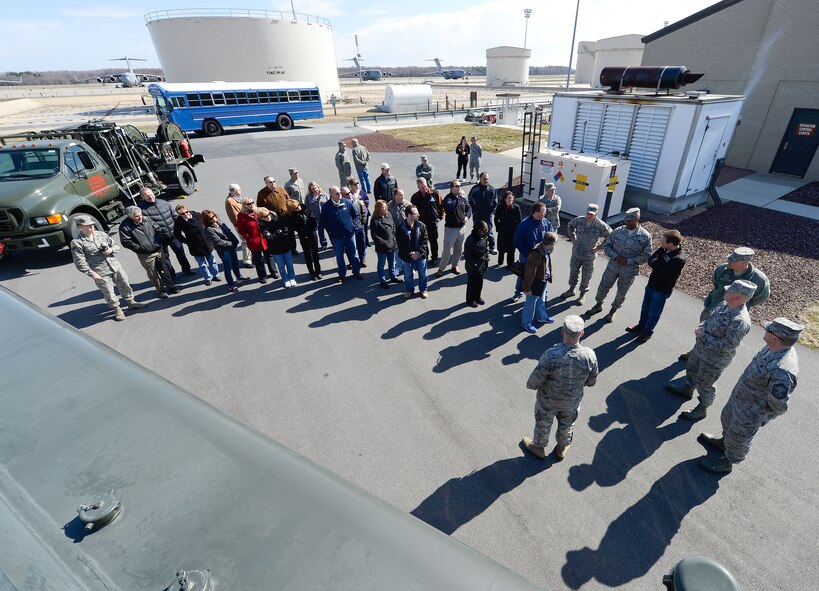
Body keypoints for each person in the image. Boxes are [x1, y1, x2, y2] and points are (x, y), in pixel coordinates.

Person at [698, 317, 802, 473]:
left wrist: (765, 418)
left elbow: (779, 404)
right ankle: (724, 443)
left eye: (769, 329)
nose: (765, 329)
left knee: (739, 439)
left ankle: (728, 461)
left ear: (776, 337)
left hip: (751, 412)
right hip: (740, 399)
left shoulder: (783, 371)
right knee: (727, 420)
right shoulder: (773, 347)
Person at [667, 279, 755, 422]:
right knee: (691, 369)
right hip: (700, 349)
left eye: (729, 290)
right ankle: (687, 389)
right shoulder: (724, 304)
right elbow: (709, 318)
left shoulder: (740, 321)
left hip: (714, 359)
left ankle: (702, 408)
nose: (725, 291)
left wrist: (704, 336)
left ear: (737, 297)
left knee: (705, 384)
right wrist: (702, 326)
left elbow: (727, 345)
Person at [521, 315, 598, 460]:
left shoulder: (551, 355)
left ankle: (539, 447)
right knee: (567, 423)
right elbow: (591, 381)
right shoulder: (589, 356)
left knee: (543, 423)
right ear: (581, 334)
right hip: (572, 401)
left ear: (563, 331)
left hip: (548, 400)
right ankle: (562, 447)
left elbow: (533, 382)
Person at [679, 247, 770, 361]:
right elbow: (715, 282)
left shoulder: (759, 279)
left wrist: (739, 303)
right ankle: (696, 352)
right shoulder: (722, 269)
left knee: (720, 340)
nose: (728, 261)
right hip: (711, 309)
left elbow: (760, 297)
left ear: (743, 264)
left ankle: (708, 360)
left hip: (730, 317)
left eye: (733, 260)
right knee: (702, 332)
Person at [70, 215, 145, 321]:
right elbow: (79, 262)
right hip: (100, 271)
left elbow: (115, 246)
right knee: (109, 292)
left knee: (124, 284)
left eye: (92, 225)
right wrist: (92, 274)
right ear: (80, 227)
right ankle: (117, 309)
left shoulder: (101, 235)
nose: (91, 227)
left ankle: (130, 302)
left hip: (115, 266)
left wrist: (111, 250)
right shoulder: (77, 242)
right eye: (87, 226)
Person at [585, 208, 652, 323]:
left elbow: (647, 256)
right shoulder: (618, 231)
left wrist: (628, 261)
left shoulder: (645, 236)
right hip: (613, 266)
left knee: (622, 292)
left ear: (637, 219)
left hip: (629, 270)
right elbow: (607, 246)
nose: (627, 223)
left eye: (630, 220)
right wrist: (616, 256)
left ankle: (613, 310)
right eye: (626, 220)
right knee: (603, 286)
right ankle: (598, 305)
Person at [625, 229, 686, 343]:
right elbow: (651, 259)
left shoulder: (678, 258)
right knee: (645, 309)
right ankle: (641, 326)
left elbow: (664, 271)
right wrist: (657, 264)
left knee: (654, 313)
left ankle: (647, 333)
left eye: (663, 240)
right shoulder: (664, 248)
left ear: (671, 244)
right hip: (651, 285)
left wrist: (656, 264)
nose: (661, 241)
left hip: (661, 290)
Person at [118, 205, 177, 299]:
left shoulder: (147, 219)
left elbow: (158, 229)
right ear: (130, 216)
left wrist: (158, 242)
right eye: (137, 216)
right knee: (153, 274)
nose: (140, 217)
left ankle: (171, 286)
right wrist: (140, 248)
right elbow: (126, 242)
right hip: (145, 255)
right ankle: (160, 290)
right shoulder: (125, 226)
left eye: (140, 214)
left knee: (164, 269)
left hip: (158, 250)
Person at [560, 203, 612, 305]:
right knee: (573, 272)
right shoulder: (579, 220)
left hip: (589, 255)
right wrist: (572, 237)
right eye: (588, 213)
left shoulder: (600, 225)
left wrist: (598, 247)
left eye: (591, 214)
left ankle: (582, 294)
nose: (589, 216)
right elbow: (570, 225)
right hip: (577, 252)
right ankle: (571, 289)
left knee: (586, 275)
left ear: (596, 214)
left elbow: (610, 236)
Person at [137, 187, 194, 279]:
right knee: (165, 258)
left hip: (173, 234)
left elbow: (174, 216)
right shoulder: (141, 210)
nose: (151, 197)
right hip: (159, 238)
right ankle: (172, 276)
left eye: (151, 194)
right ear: (142, 197)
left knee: (180, 252)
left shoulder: (163, 202)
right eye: (147, 196)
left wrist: (183, 228)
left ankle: (187, 269)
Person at [512, 202, 554, 302]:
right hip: (527, 255)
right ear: (535, 213)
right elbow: (518, 241)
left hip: (542, 256)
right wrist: (527, 253)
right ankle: (518, 292)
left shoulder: (545, 222)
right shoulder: (524, 224)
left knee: (542, 274)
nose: (545, 214)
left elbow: (551, 233)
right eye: (543, 212)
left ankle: (543, 292)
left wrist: (550, 247)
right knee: (523, 274)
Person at [320, 185, 362, 282]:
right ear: (331, 195)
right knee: (339, 256)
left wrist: (354, 225)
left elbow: (355, 215)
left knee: (353, 255)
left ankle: (357, 271)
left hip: (350, 235)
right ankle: (342, 274)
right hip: (337, 237)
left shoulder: (347, 202)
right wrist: (326, 234)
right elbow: (323, 223)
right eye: (337, 193)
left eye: (340, 193)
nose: (340, 195)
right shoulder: (326, 207)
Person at [174, 205, 221, 286]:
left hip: (206, 243)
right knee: (202, 264)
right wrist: (186, 241)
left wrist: (210, 234)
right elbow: (177, 234)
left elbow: (207, 223)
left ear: (188, 210)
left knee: (212, 261)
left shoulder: (197, 215)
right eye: (182, 214)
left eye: (186, 212)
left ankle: (216, 275)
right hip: (194, 246)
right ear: (179, 214)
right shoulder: (179, 221)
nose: (185, 214)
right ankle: (208, 278)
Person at [520, 232, 557, 333]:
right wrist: (527, 288)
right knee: (530, 303)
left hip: (542, 280)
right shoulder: (536, 253)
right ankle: (526, 323)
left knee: (541, 299)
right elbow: (529, 272)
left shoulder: (546, 249)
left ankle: (542, 317)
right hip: (535, 283)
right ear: (551, 244)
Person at [202, 210, 247, 292]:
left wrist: (235, 240)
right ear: (207, 220)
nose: (214, 218)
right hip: (224, 250)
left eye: (214, 215)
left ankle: (238, 275)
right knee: (228, 267)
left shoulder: (219, 221)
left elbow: (228, 231)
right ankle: (231, 285)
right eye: (211, 218)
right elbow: (218, 241)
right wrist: (231, 243)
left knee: (235, 262)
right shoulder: (209, 229)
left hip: (231, 246)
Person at [236, 199, 277, 283]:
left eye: (252, 203)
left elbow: (268, 218)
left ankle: (274, 272)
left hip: (264, 238)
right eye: (248, 203)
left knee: (269, 256)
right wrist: (248, 237)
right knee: (258, 259)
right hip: (253, 240)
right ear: (244, 205)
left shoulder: (258, 211)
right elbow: (241, 229)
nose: (251, 205)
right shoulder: (241, 215)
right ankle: (262, 276)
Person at [437, 180, 472, 277]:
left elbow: (469, 208)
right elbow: (450, 207)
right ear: (452, 188)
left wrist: (467, 217)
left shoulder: (462, 197)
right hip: (451, 229)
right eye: (457, 186)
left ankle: (455, 265)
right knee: (447, 249)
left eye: (460, 186)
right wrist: (458, 198)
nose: (459, 187)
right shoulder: (448, 199)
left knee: (458, 248)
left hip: (461, 228)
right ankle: (441, 268)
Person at [258, 205, 298, 288]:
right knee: (281, 266)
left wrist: (274, 234)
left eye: (268, 215)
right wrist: (278, 233)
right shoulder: (262, 226)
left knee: (289, 264)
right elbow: (268, 237)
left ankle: (292, 278)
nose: (268, 217)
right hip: (275, 250)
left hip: (286, 246)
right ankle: (285, 280)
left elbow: (285, 231)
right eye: (265, 217)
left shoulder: (278, 219)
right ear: (261, 218)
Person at [396, 204, 429, 299]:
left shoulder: (421, 226)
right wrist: (410, 254)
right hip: (407, 258)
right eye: (416, 213)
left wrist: (418, 253)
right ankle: (409, 290)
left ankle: (423, 289)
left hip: (420, 256)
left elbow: (425, 241)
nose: (418, 215)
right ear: (409, 215)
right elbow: (401, 245)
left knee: (423, 274)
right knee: (408, 276)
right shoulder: (401, 228)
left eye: (418, 213)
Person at [410, 177, 444, 266]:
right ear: (418, 187)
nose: (424, 189)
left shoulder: (435, 193)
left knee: (433, 241)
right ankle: (425, 255)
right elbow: (412, 210)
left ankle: (435, 258)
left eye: (425, 186)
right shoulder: (415, 197)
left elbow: (442, 206)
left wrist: (440, 217)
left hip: (432, 223)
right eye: (422, 187)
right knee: (423, 242)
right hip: (421, 224)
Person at [370, 200, 400, 289]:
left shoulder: (388, 214)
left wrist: (394, 240)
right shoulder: (374, 220)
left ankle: (393, 276)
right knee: (381, 265)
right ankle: (382, 280)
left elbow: (393, 226)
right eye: (383, 207)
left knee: (392, 262)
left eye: (385, 206)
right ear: (378, 208)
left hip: (392, 245)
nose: (386, 208)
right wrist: (385, 243)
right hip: (382, 247)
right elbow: (375, 236)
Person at [297, 184, 324, 280]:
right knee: (308, 255)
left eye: (299, 206)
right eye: (296, 207)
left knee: (315, 253)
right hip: (304, 236)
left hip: (312, 234)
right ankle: (312, 273)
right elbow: (297, 228)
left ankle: (318, 272)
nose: (298, 208)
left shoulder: (308, 212)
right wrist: (303, 229)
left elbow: (314, 224)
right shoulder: (294, 216)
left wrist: (312, 220)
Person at [468, 172, 498, 254]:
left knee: (489, 231)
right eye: (484, 179)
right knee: (477, 230)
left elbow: (495, 202)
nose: (486, 180)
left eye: (487, 179)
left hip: (487, 215)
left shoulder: (492, 189)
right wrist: (473, 209)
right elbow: (470, 199)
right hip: (477, 215)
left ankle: (492, 247)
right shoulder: (475, 189)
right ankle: (475, 245)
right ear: (480, 179)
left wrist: (491, 211)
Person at [225, 183, 253, 268]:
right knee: (246, 241)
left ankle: (252, 256)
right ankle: (247, 261)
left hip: (245, 223)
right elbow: (235, 217)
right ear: (237, 191)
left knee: (250, 239)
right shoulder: (230, 201)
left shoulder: (237, 198)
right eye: (239, 189)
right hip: (241, 225)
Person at [463, 220, 489, 307]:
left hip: (481, 264)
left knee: (479, 282)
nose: (486, 230)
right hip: (473, 266)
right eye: (485, 229)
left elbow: (486, 248)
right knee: (472, 283)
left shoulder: (483, 237)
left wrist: (486, 258)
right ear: (479, 230)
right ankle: (470, 299)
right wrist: (474, 264)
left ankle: (477, 297)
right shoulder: (470, 240)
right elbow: (467, 255)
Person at [342, 185, 368, 268]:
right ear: (342, 195)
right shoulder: (342, 205)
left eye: (349, 192)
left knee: (362, 244)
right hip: (349, 230)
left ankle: (362, 259)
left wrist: (363, 222)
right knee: (350, 247)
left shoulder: (356, 201)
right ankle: (352, 262)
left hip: (359, 227)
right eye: (346, 194)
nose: (349, 194)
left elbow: (364, 211)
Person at [494, 190, 522, 268]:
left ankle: (510, 264)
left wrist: (517, 230)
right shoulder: (500, 207)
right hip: (502, 231)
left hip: (512, 232)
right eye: (509, 198)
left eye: (512, 198)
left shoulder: (516, 207)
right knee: (501, 248)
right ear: (505, 199)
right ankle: (500, 262)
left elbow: (519, 219)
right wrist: (498, 228)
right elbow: (496, 219)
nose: (510, 199)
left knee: (511, 249)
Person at [306, 181, 330, 250]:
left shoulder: (324, 195)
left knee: (330, 231)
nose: (315, 190)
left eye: (315, 188)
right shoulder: (308, 197)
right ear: (310, 190)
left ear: (318, 187)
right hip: (317, 219)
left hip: (326, 218)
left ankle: (334, 243)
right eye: (312, 189)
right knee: (321, 233)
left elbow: (330, 203)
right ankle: (324, 244)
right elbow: (307, 207)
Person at [348, 177, 371, 246]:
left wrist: (363, 202)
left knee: (365, 228)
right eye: (355, 184)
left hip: (365, 213)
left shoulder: (361, 192)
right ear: (351, 186)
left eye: (357, 183)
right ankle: (359, 243)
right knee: (358, 229)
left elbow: (367, 200)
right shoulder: (350, 194)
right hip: (356, 215)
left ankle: (366, 241)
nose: (357, 185)